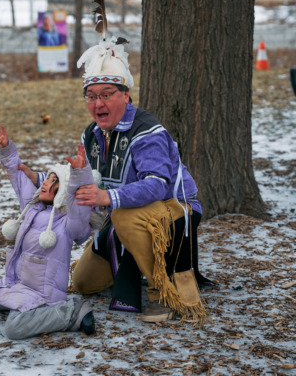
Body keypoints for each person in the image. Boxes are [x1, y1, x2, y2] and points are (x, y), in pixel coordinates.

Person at [20, 35, 214, 325]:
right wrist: (41, 181)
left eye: (107, 94)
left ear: (125, 95)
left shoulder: (148, 131)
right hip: (123, 218)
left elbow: (158, 184)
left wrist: (106, 197)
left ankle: (164, 291)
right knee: (84, 282)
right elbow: (80, 180)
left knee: (123, 216)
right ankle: (132, 265)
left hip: (174, 211)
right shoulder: (91, 134)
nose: (98, 102)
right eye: (91, 96)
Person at [0, 124, 103, 339]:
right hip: (20, 285)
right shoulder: (32, 207)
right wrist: (7, 151)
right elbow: (18, 178)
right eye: (47, 178)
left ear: (63, 192)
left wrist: (78, 176)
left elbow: (78, 207)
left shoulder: (69, 223)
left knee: (13, 329)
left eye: (53, 181)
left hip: (45, 295)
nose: (44, 184)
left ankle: (72, 313)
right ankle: (20, 307)